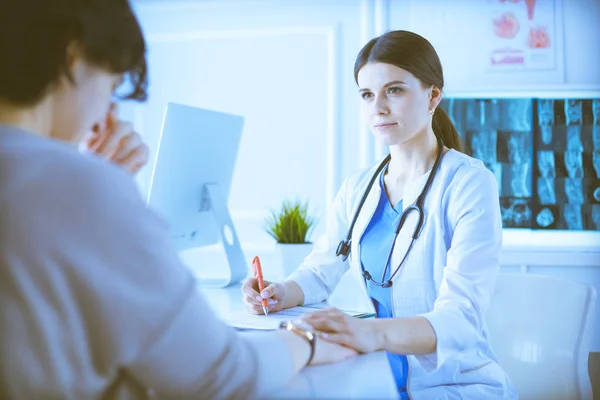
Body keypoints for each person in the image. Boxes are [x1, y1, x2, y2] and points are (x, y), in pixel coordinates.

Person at [0, 1, 357, 399]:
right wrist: (305, 341)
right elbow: (222, 375)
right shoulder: (80, 186)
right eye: (111, 87)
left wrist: (88, 181)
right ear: (73, 59)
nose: (105, 114)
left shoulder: (65, 183)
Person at [241, 30, 518, 399]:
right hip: (378, 374)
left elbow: (460, 320)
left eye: (395, 90)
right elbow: (319, 272)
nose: (378, 108)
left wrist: (367, 333)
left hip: (453, 383)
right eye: (367, 95)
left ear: (433, 95)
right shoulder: (359, 187)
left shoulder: (468, 183)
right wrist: (279, 292)